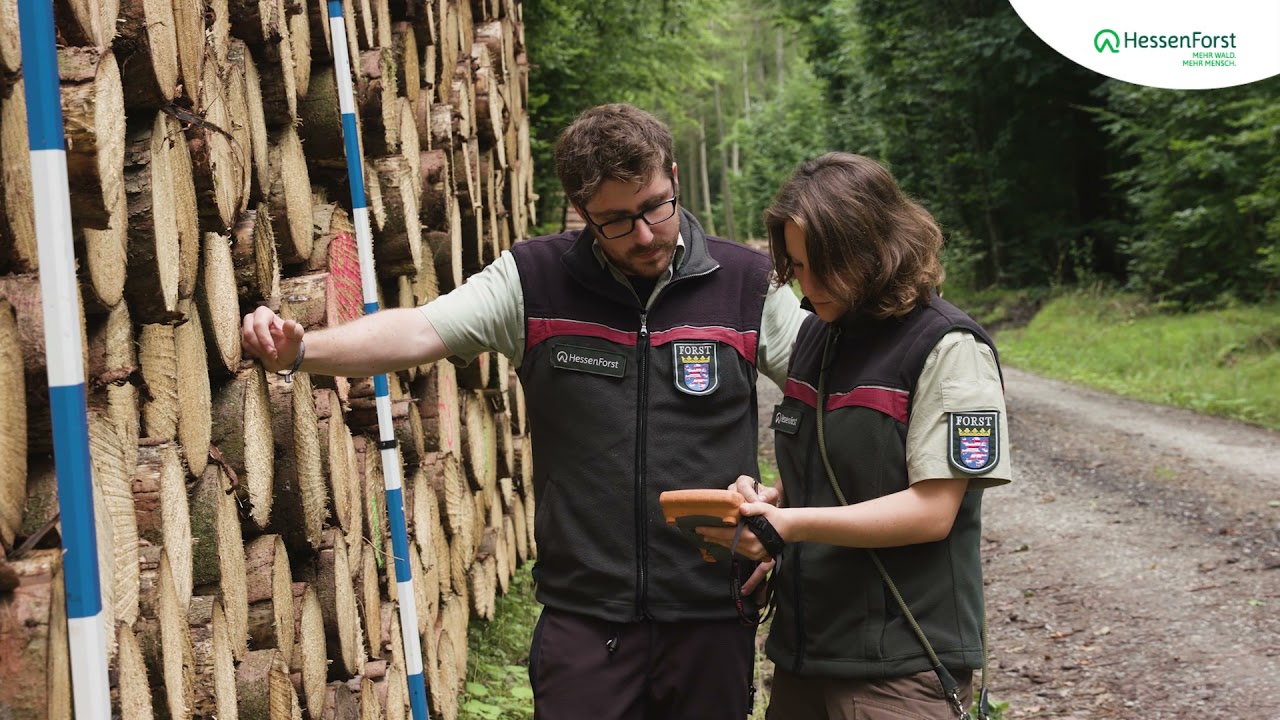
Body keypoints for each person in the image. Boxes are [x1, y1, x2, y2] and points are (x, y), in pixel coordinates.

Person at [241, 103, 809, 719]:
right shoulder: (535, 280)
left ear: (672, 175)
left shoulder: (750, 283)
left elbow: (837, 399)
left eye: (655, 206)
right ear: (581, 212)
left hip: (710, 616)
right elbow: (420, 329)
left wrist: (794, 515)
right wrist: (305, 351)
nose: (645, 234)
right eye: (616, 221)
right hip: (584, 620)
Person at [700, 152, 1013, 719]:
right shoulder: (818, 337)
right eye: (796, 264)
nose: (807, 283)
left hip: (902, 668)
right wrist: (775, 504)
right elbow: (832, 473)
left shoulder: (949, 348)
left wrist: (790, 526)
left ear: (876, 249)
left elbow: (933, 510)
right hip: (806, 655)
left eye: (823, 264)